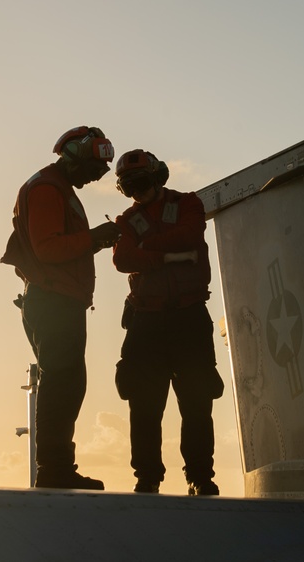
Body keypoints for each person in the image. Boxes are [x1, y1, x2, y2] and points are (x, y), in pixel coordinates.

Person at [0, 126, 121, 490]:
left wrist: (93, 242)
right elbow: (48, 249)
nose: (95, 177)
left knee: (69, 383)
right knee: (62, 383)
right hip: (54, 301)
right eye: (93, 169)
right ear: (74, 157)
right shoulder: (48, 189)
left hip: (59, 300)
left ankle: (58, 469)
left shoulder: (57, 188)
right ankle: (53, 471)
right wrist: (95, 238)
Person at [111, 149, 224, 496]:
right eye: (130, 188)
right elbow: (123, 260)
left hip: (188, 317)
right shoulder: (126, 222)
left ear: (157, 177)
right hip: (147, 321)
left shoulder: (189, 204)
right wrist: (169, 256)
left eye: (142, 184)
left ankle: (200, 476)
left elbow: (190, 237)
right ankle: (147, 478)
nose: (138, 193)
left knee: (197, 401)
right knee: (144, 405)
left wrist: (149, 250)